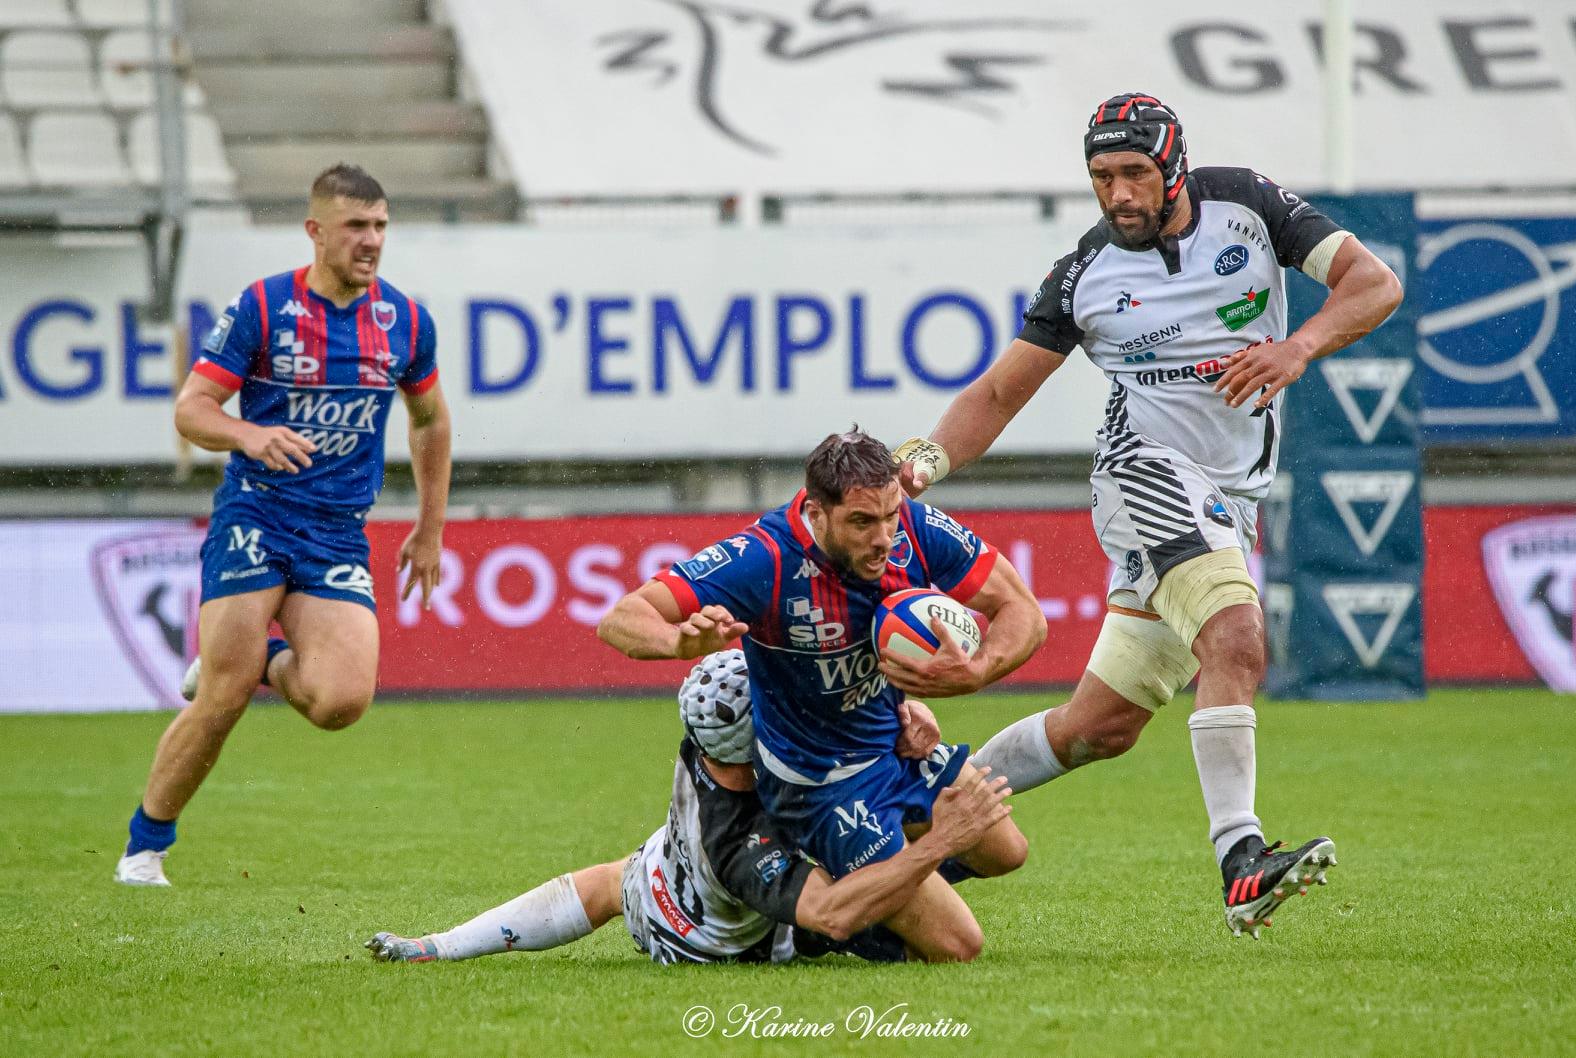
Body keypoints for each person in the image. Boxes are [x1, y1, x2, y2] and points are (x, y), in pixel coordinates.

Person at [894, 93, 1401, 938]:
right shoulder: (1084, 271)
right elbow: (997, 393)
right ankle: (1243, 860)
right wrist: (920, 464)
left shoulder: (1249, 205)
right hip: (1145, 476)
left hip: (1229, 497)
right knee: (1235, 637)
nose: (1119, 194)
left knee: (1101, 727)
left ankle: (923, 815)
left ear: (1175, 166)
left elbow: (1375, 284)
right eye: (1102, 177)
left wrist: (1297, 346)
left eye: (1135, 173)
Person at [115, 164, 452, 887]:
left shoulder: (404, 321)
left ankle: (263, 661)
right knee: (224, 696)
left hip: (335, 531)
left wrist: (430, 528)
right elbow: (192, 409)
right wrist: (246, 434)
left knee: (341, 703)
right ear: (316, 231)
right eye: (356, 227)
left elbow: (430, 420)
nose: (371, 242)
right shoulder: (264, 308)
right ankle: (145, 849)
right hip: (256, 515)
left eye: (381, 227)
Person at [598, 429, 1047, 962]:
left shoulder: (914, 531)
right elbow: (620, 619)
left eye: (889, 516)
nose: (883, 538)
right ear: (816, 511)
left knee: (1005, 852)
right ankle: (837, 916)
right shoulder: (762, 560)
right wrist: (676, 640)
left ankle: (863, 887)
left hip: (891, 747)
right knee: (958, 946)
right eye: (861, 522)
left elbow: (1024, 612)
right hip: (818, 784)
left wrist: (977, 672)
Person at [368, 650, 1013, 965]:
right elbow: (834, 914)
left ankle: (434, 947)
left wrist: (893, 722)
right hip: (722, 939)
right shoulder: (739, 843)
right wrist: (938, 842)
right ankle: (438, 948)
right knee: (952, 941)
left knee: (605, 886)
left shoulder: (708, 732)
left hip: (655, 876)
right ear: (752, 745)